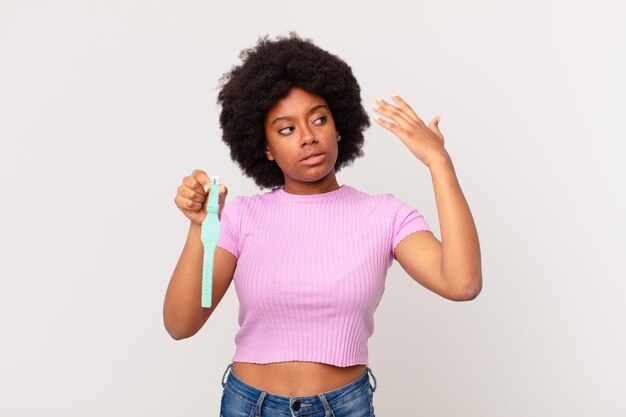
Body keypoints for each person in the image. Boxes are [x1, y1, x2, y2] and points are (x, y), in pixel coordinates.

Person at [164, 32, 482, 417]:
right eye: (286, 129)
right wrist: (201, 226)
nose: (309, 137)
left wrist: (439, 163)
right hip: (249, 405)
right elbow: (181, 324)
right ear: (264, 147)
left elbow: (462, 283)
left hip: (344, 406)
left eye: (319, 119)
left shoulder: (386, 216)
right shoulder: (239, 216)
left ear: (339, 126)